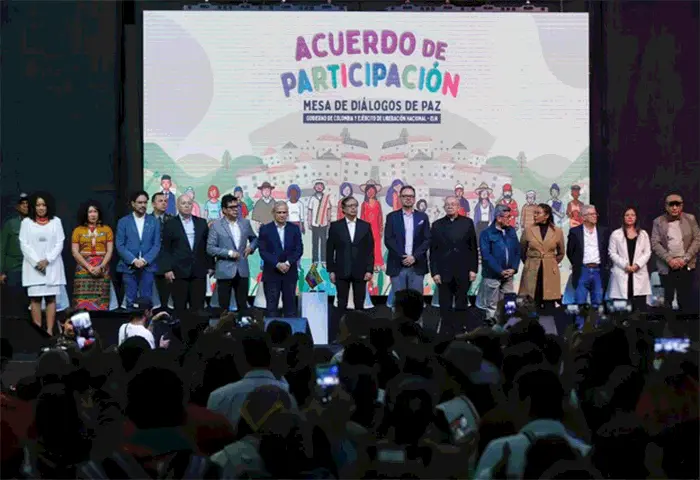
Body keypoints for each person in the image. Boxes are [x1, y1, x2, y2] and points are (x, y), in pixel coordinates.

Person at [19, 192, 67, 335]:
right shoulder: (26, 222)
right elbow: (24, 244)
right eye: (38, 205)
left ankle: (50, 331)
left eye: (43, 205)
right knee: (35, 299)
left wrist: (47, 260)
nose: (41, 208)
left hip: (52, 266)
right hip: (33, 268)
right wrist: (37, 262)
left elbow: (60, 242)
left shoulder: (56, 221)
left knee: (51, 298)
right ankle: (38, 333)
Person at [430, 196, 478, 333]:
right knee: (445, 304)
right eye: (447, 204)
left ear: (458, 207)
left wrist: (473, 269)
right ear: (444, 207)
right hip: (443, 271)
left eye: (453, 204)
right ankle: (445, 331)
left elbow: (473, 248)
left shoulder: (467, 223)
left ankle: (460, 331)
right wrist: (435, 272)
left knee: (461, 303)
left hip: (463, 270)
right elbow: (433, 251)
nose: (450, 206)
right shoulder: (437, 225)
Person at [207, 194, 258, 316]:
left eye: (237, 206)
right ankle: (225, 327)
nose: (236, 209)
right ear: (224, 210)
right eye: (232, 207)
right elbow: (210, 248)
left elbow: (255, 239)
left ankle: (243, 326)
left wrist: (251, 247)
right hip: (224, 270)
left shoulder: (245, 223)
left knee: (243, 307)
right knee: (223, 308)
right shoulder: (216, 226)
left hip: (242, 269)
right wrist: (229, 253)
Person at [161, 195, 211, 314]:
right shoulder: (170, 224)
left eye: (189, 203)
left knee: (198, 308)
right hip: (178, 272)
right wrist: (167, 269)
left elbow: (207, 246)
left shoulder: (201, 223)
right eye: (183, 203)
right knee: (180, 308)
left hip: (198, 271)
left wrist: (210, 265)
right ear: (178, 206)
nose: (187, 206)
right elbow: (165, 248)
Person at [651, 192, 700, 314]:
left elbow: (697, 239)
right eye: (671, 205)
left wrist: (685, 258)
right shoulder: (658, 221)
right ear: (666, 206)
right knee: (667, 300)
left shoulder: (690, 219)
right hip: (667, 265)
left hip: (686, 264)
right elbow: (655, 243)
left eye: (677, 205)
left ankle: (685, 324)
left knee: (685, 299)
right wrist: (669, 260)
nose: (674, 208)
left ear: (681, 206)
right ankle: (668, 325)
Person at [327, 196, 375, 312]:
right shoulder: (335, 226)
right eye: (350, 206)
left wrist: (369, 270)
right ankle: (341, 323)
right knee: (341, 303)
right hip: (341, 270)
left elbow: (370, 250)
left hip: (361, 270)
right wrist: (331, 270)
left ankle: (358, 324)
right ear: (343, 209)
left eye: (355, 205)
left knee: (359, 304)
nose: (353, 208)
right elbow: (330, 250)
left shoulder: (365, 226)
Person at [116, 191, 160, 308]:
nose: (143, 205)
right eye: (140, 202)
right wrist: (134, 260)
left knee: (146, 301)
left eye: (145, 202)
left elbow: (156, 245)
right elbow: (120, 245)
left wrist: (144, 260)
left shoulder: (154, 221)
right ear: (133, 204)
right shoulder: (123, 222)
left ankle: (146, 320)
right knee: (130, 301)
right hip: (129, 266)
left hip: (148, 266)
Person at [477, 205, 521, 323]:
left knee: (510, 303)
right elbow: (486, 256)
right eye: (507, 217)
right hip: (492, 276)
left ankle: (510, 326)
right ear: (499, 218)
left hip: (509, 276)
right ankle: (491, 330)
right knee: (492, 305)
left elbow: (517, 251)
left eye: (510, 216)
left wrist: (514, 268)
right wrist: (500, 271)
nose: (510, 219)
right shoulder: (486, 233)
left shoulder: (511, 231)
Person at [566, 205, 610, 325]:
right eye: (591, 214)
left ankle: (597, 329)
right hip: (582, 270)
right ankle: (580, 330)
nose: (595, 216)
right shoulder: (575, 232)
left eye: (595, 214)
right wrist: (577, 265)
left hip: (598, 270)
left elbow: (606, 251)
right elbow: (570, 252)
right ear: (583, 217)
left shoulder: (603, 231)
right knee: (580, 303)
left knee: (598, 303)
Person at [258, 202, 303, 317]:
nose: (282, 215)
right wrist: (277, 264)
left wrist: (287, 263)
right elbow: (263, 251)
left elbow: (299, 249)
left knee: (290, 309)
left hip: (289, 273)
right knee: (271, 309)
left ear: (287, 213)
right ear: (273, 213)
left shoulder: (294, 229)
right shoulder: (265, 229)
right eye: (279, 212)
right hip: (271, 273)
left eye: (284, 212)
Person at [385, 185, 430, 297]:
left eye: (411, 196)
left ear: (414, 198)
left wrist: (414, 257)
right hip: (397, 264)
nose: (408, 198)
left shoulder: (423, 217)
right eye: (405, 196)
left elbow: (427, 239)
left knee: (415, 300)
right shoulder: (391, 217)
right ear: (400, 198)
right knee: (399, 301)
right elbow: (388, 240)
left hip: (417, 265)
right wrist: (404, 257)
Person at [519, 203, 565, 311]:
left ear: (546, 215)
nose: (535, 215)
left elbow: (561, 252)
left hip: (550, 271)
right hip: (532, 270)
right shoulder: (528, 230)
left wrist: (551, 263)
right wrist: (530, 263)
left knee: (549, 303)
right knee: (531, 302)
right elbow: (522, 251)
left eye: (538, 213)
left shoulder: (557, 232)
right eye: (534, 213)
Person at [70, 201, 114, 311]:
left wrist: (101, 266)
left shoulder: (107, 229)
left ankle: (100, 320)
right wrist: (89, 267)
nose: (93, 214)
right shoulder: (78, 230)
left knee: (101, 301)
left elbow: (109, 251)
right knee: (82, 303)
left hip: (102, 268)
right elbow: (75, 252)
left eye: (95, 211)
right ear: (85, 214)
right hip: (83, 267)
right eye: (90, 212)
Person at [607, 206, 652, 312]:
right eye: (627, 215)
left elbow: (647, 252)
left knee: (639, 308)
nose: (630, 217)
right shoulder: (616, 234)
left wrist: (637, 265)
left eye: (632, 215)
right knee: (622, 310)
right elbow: (612, 253)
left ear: (636, 217)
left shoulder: (643, 234)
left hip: (638, 272)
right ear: (623, 217)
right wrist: (625, 265)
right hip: (622, 272)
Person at [1, 193, 29, 317]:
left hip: (32, 269)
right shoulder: (10, 224)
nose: (25, 206)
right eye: (22, 204)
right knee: (15, 304)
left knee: (32, 303)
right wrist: (1, 272)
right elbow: (2, 248)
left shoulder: (36, 224)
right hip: (14, 268)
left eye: (28, 204)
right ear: (17, 207)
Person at [151, 192, 174, 310]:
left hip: (168, 262)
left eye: (165, 201)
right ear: (153, 204)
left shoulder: (172, 220)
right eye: (160, 201)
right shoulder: (147, 220)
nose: (164, 203)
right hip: (151, 261)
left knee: (167, 297)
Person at [307, 179, 331, 265]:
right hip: (315, 224)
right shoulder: (312, 198)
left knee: (324, 243)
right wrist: (309, 222)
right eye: (317, 185)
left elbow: (328, 210)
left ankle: (324, 260)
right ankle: (315, 261)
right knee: (315, 243)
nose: (319, 187)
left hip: (324, 224)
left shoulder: (326, 198)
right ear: (314, 187)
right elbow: (310, 211)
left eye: (321, 185)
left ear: (323, 187)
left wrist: (329, 221)